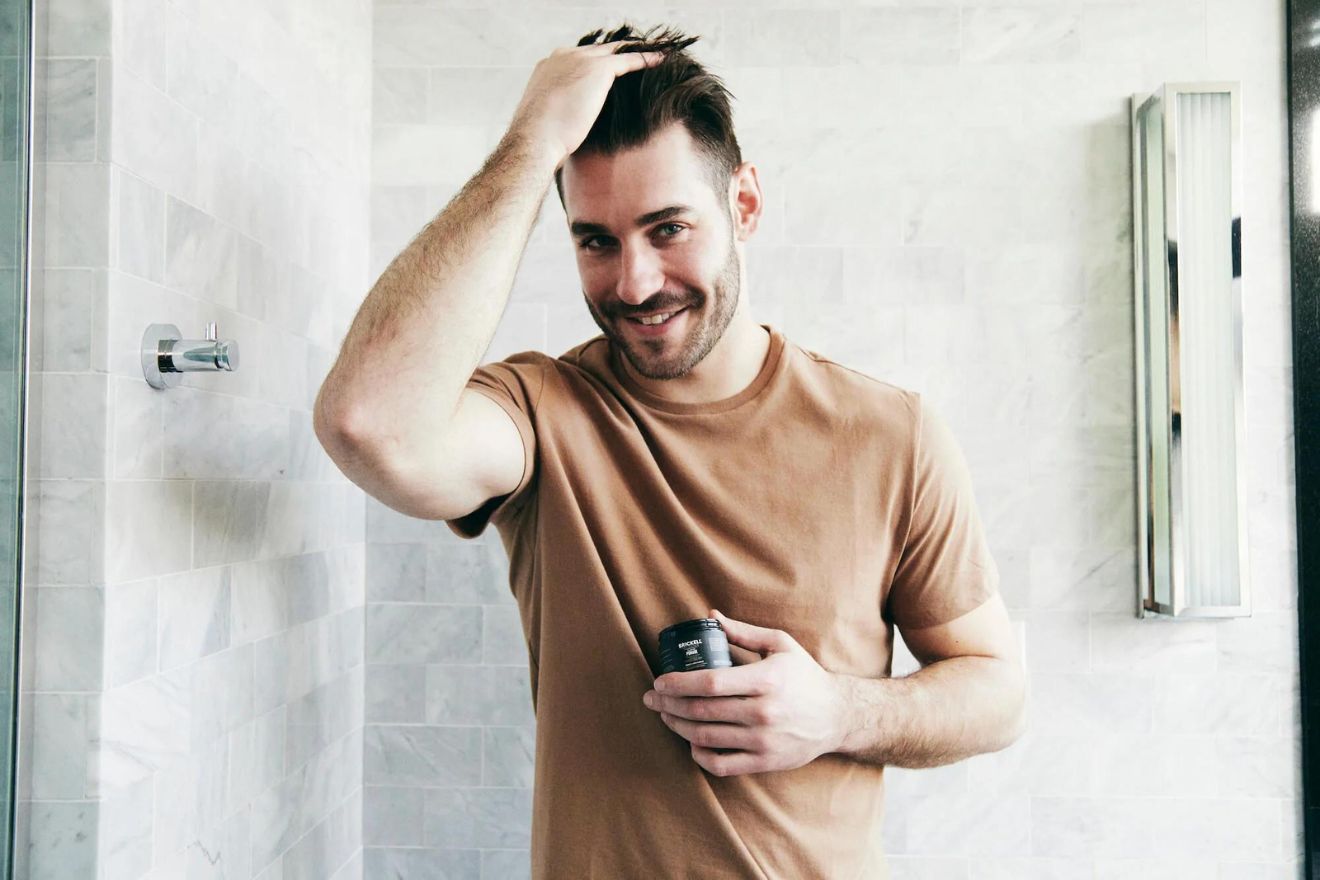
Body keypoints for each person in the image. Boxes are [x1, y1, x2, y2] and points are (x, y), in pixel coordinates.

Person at [314, 22, 1027, 880]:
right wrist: (531, 143)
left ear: (745, 205)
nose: (635, 284)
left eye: (668, 229)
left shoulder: (891, 433)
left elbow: (995, 693)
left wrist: (838, 712)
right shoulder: (543, 415)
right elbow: (369, 423)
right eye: (596, 241)